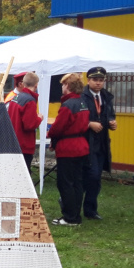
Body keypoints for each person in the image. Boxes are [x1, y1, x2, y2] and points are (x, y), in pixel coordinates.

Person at [48, 73, 90, 226]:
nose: (61, 87)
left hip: (68, 147)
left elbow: (58, 127)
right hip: (81, 146)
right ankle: (75, 214)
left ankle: (69, 217)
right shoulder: (82, 103)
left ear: (68, 86)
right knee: (77, 182)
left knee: (65, 183)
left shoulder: (68, 105)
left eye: (63, 84)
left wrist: (50, 135)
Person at [80, 66, 116, 221]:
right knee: (89, 175)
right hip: (86, 141)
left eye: (101, 80)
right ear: (88, 81)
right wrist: (89, 124)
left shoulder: (106, 96)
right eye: (95, 80)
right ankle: (71, 201)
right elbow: (77, 117)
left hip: (101, 143)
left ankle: (91, 210)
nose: (98, 83)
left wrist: (111, 122)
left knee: (96, 177)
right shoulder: (82, 97)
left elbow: (110, 114)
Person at [7, 71, 44, 172]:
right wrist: (39, 118)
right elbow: (29, 125)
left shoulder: (15, 97)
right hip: (24, 144)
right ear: (36, 85)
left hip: (13, 142)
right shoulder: (30, 100)